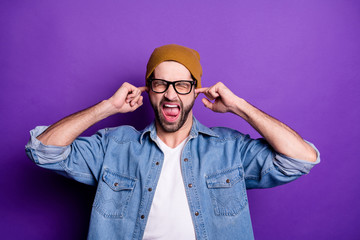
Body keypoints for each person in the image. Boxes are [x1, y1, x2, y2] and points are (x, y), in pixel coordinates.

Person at [25, 44, 320, 240]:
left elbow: (301, 159)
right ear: (148, 90)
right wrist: (108, 107)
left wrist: (239, 106)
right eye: (160, 84)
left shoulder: (230, 150)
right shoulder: (113, 147)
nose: (170, 94)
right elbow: (44, 150)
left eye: (182, 85)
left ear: (196, 91)